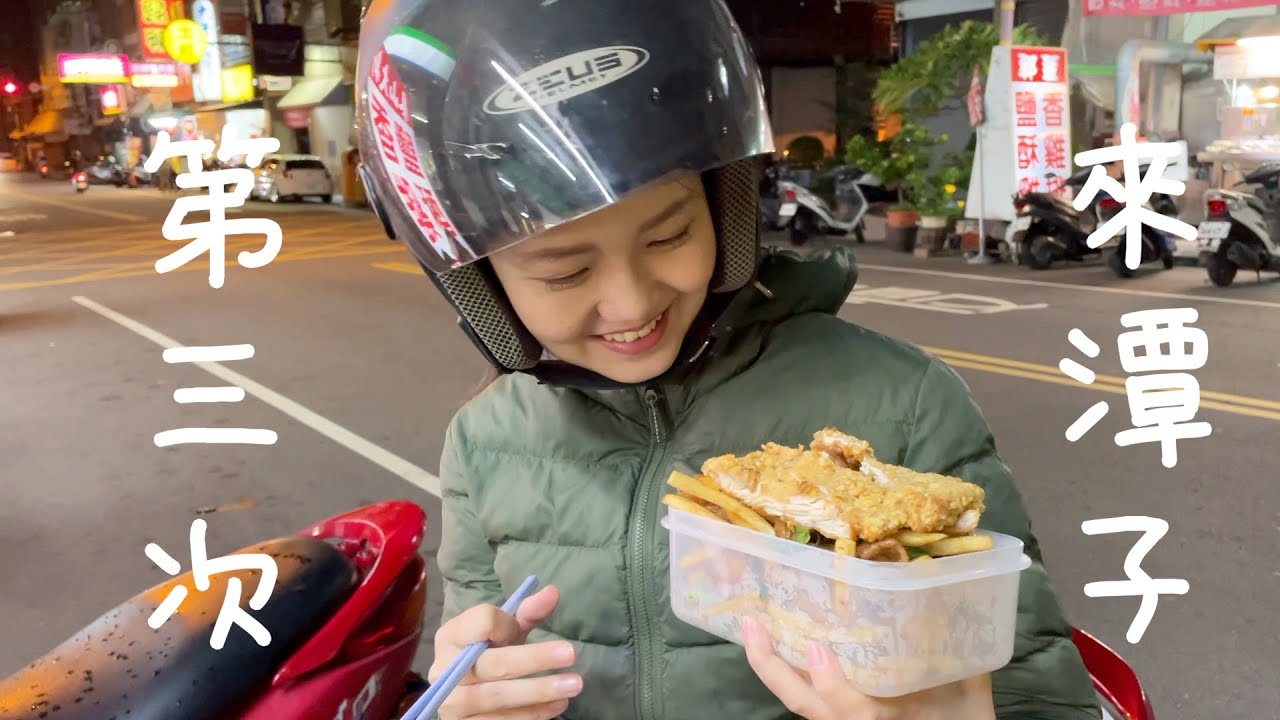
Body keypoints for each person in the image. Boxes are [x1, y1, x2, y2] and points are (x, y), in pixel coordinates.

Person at [355, 1, 1101, 719]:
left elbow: (1043, 695)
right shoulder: (485, 445)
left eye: (668, 234)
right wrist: (475, 699)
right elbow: (478, 657)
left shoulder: (901, 405)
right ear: (480, 280)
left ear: (724, 202)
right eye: (565, 272)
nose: (630, 303)